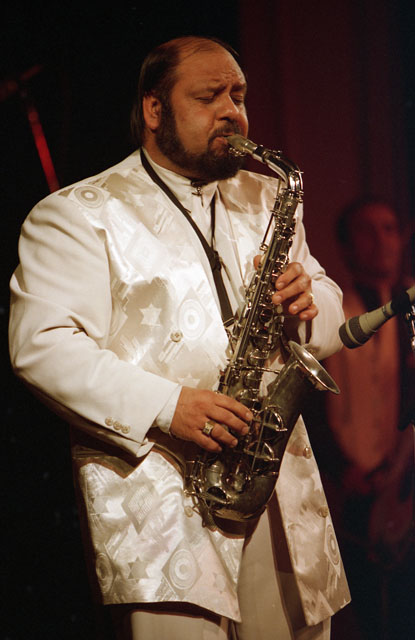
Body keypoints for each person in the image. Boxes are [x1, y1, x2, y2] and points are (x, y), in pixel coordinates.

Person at [9, 36, 350, 639]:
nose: (232, 112)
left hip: (277, 495)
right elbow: (43, 345)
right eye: (209, 96)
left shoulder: (269, 197)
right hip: (160, 508)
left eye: (239, 96)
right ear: (153, 109)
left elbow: (327, 312)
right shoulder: (77, 212)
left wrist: (306, 305)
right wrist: (169, 406)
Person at [309, 199, 415, 640]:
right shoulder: (329, 313)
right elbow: (311, 404)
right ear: (347, 246)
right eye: (367, 230)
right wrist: (342, 468)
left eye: (389, 228)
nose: (381, 241)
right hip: (350, 486)